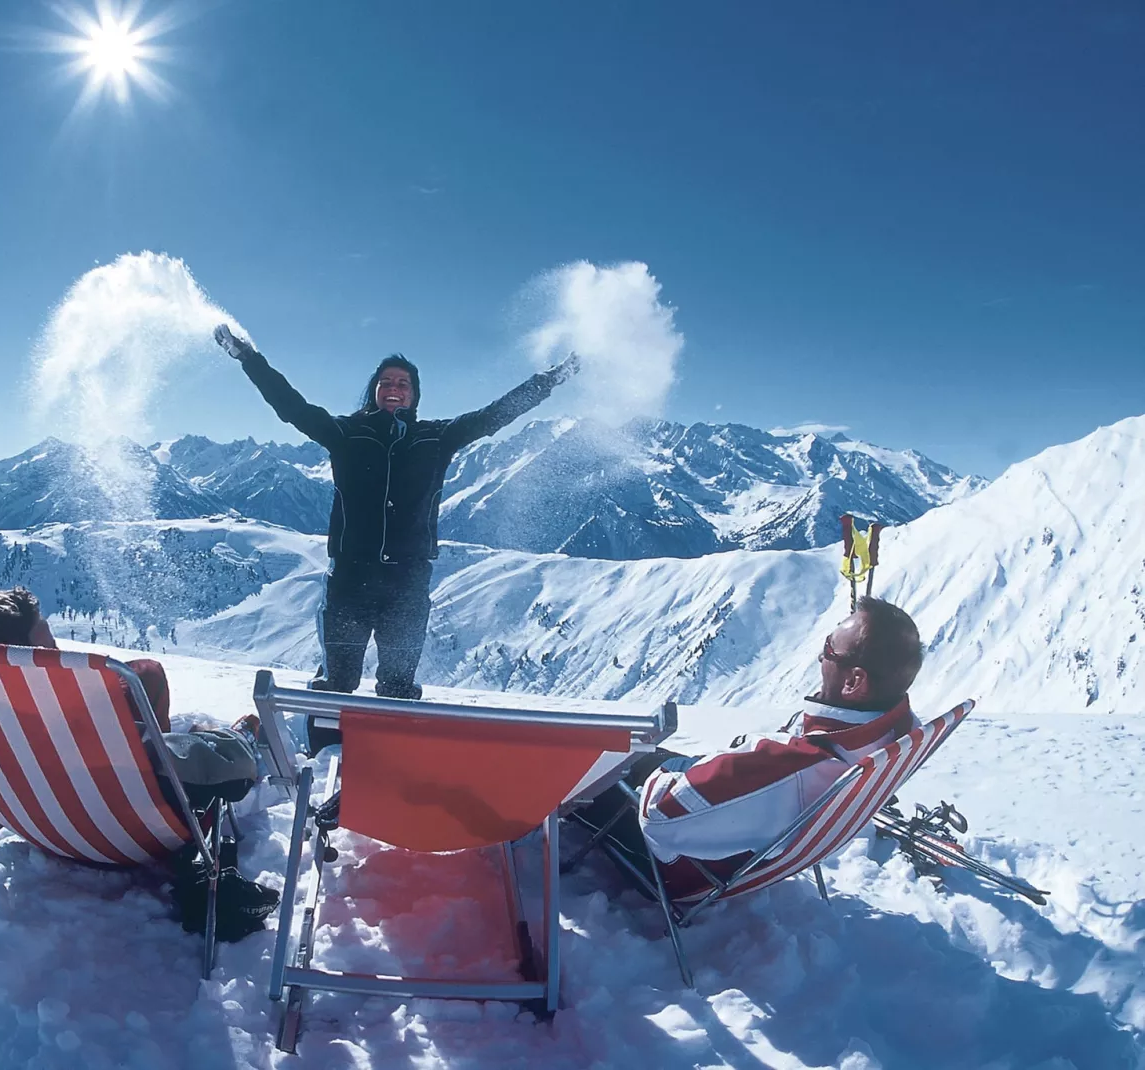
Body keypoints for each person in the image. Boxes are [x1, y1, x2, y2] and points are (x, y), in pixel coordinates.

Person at [215, 324, 580, 718]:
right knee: (336, 682)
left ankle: (390, 763)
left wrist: (550, 380)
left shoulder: (436, 438)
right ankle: (321, 753)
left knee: (398, 689)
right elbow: (292, 407)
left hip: (406, 585)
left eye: (403, 383)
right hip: (350, 581)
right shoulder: (345, 433)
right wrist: (249, 358)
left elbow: (497, 414)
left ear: (414, 394)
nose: (394, 387)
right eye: (386, 381)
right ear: (374, 390)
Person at [0, 587, 276, 937]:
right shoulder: (88, 722)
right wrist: (231, 743)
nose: (57, 647)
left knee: (143, 679)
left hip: (38, 827)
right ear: (22, 659)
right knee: (191, 730)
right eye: (47, 643)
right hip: (137, 836)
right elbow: (232, 771)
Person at [579, 596, 926, 901]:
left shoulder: (794, 765)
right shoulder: (889, 734)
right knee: (643, 756)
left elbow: (659, 815)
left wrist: (668, 771)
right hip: (750, 836)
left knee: (591, 769)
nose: (822, 656)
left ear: (853, 681)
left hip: (679, 871)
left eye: (830, 648)